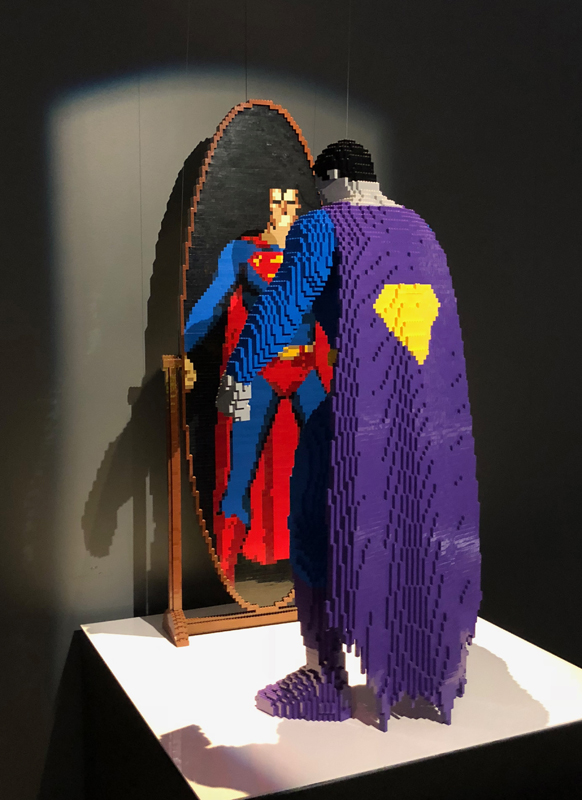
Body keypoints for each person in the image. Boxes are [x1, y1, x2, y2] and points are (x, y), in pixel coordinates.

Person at [218, 141, 482, 729]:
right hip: (431, 418)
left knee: (315, 521)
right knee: (421, 524)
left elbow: (280, 313)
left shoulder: (322, 227)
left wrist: (237, 375)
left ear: (331, 179)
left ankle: (325, 677)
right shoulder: (419, 228)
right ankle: (426, 663)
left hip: (359, 413)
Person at [185, 188, 332, 582]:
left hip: (304, 367)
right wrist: (183, 348)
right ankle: (226, 572)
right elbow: (213, 302)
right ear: (264, 206)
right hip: (256, 370)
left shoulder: (313, 252)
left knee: (332, 461)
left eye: (291, 202)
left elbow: (336, 308)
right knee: (240, 474)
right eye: (276, 201)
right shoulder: (242, 252)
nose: (284, 209)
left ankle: (330, 563)